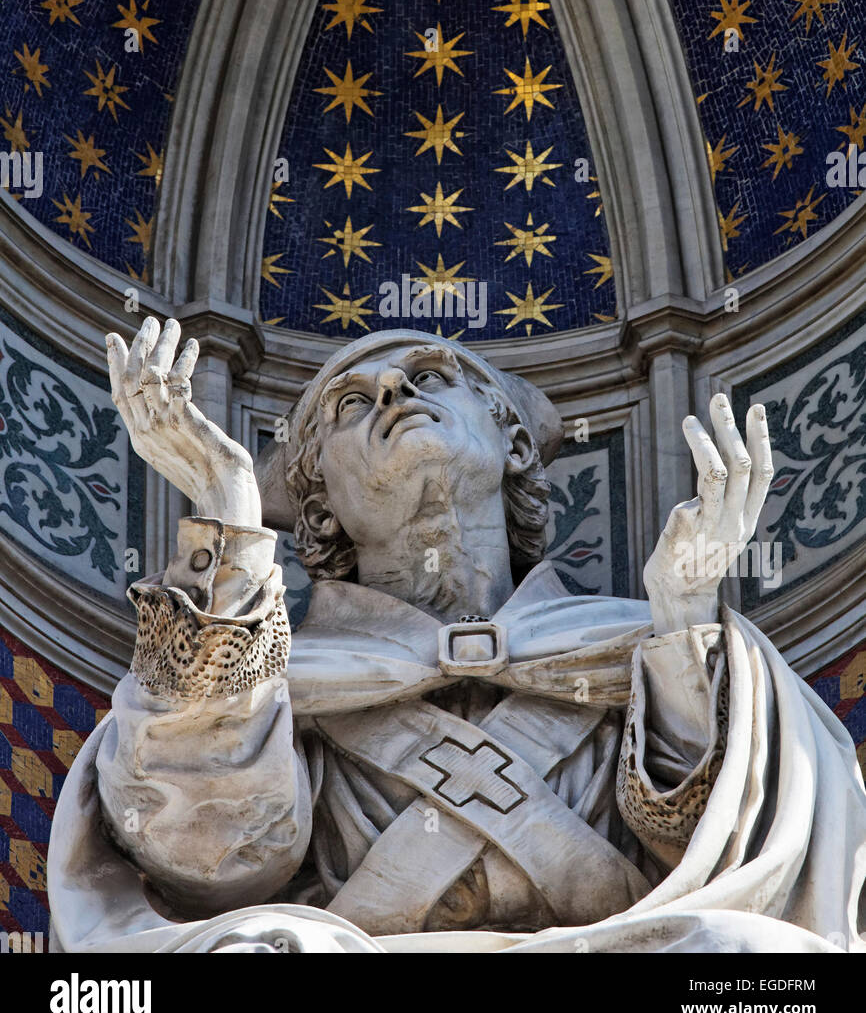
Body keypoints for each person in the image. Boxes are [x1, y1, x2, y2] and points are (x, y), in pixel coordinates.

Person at [47, 319, 866, 953]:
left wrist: (683, 626)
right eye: (354, 404)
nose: (396, 394)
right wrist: (225, 522)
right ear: (321, 503)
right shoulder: (272, 675)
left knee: (745, 954)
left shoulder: (639, 640)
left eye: (429, 378)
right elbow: (212, 856)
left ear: (514, 443)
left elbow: (710, 857)